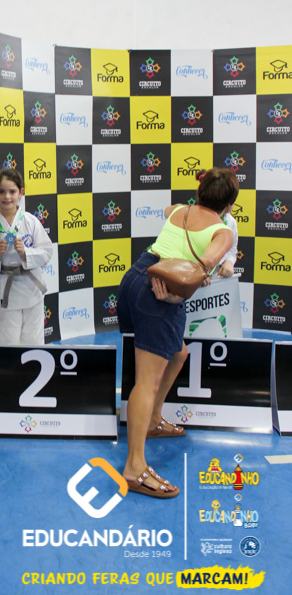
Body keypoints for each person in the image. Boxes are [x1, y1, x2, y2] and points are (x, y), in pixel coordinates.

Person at [116, 167, 239, 498]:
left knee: (178, 353)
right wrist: (175, 296)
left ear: (199, 193)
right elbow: (199, 268)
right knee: (147, 381)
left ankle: (153, 419)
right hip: (162, 290)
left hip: (135, 277)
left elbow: (169, 211)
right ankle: (134, 469)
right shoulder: (224, 231)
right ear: (229, 206)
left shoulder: (179, 210)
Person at [0, 168, 53, 345]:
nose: (7, 197)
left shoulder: (31, 221)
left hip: (32, 288)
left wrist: (26, 253)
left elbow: (47, 251)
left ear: (21, 192)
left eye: (12, 191)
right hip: (6, 292)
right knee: (7, 343)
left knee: (34, 341)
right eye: (1, 191)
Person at [196, 170, 238, 278]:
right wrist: (199, 273)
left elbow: (232, 250)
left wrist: (229, 262)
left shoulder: (230, 222)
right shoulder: (192, 219)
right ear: (228, 204)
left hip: (216, 278)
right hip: (191, 277)